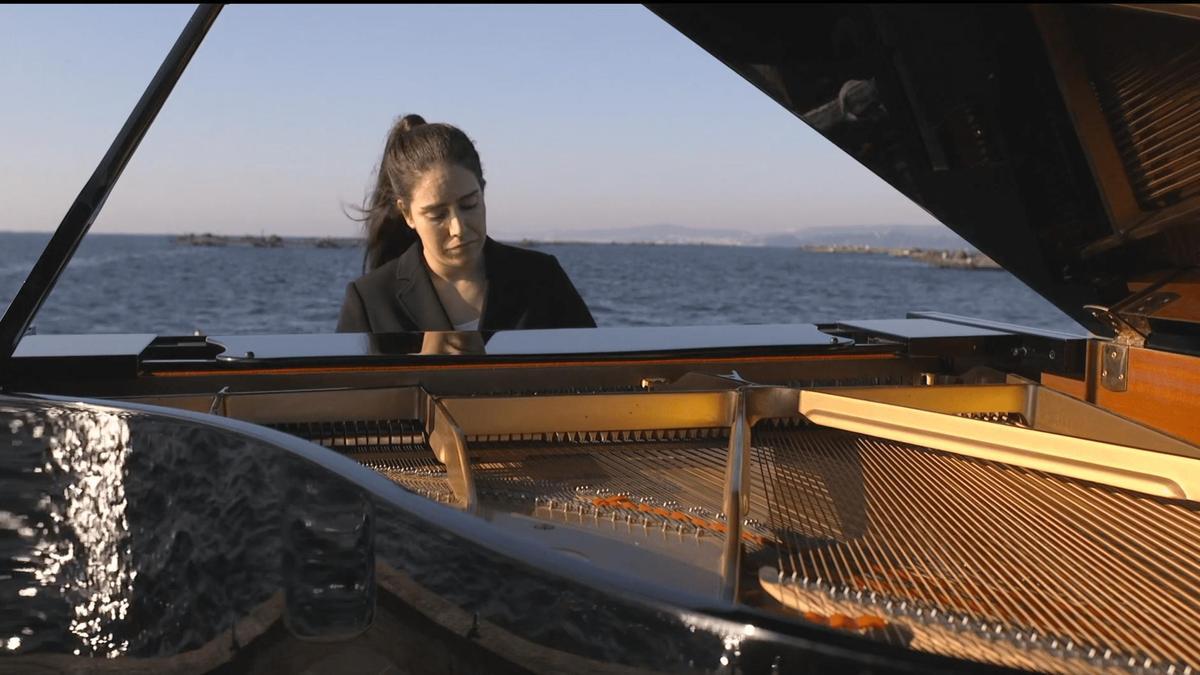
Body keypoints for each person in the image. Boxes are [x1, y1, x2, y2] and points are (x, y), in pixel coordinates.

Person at [337, 114, 595, 333]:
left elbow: (598, 375)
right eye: (437, 215)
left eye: (469, 205)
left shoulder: (542, 278)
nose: (458, 228)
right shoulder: (370, 300)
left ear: (482, 191)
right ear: (407, 214)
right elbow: (346, 392)